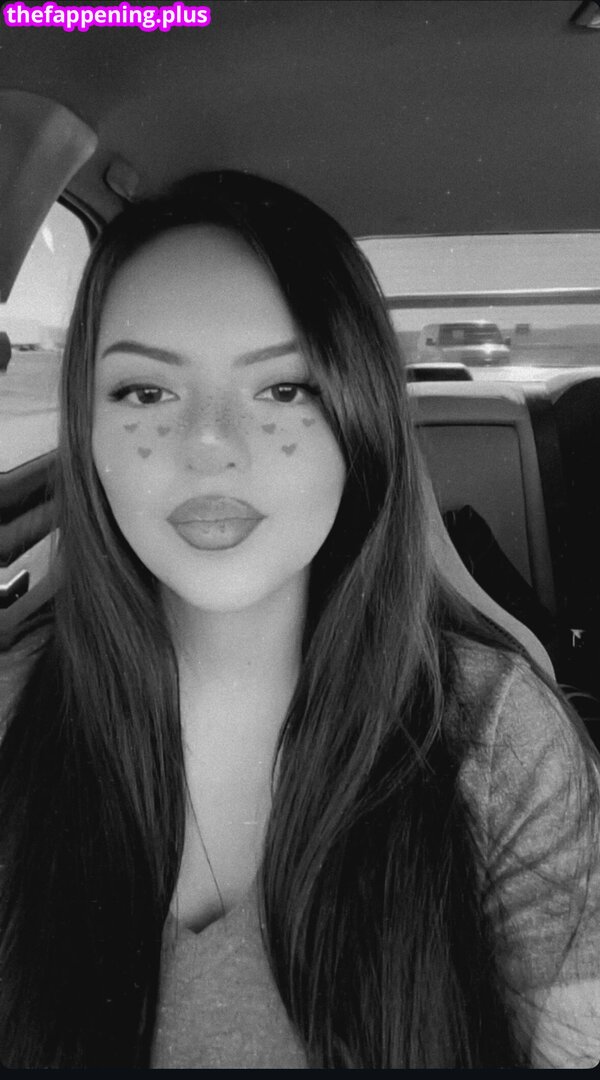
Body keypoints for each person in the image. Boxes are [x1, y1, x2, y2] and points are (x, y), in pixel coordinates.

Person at [0, 170, 599, 1069]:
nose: (210, 445)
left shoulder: (494, 738)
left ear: (359, 422)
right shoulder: (10, 713)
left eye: (284, 389)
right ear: (84, 431)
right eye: (145, 393)